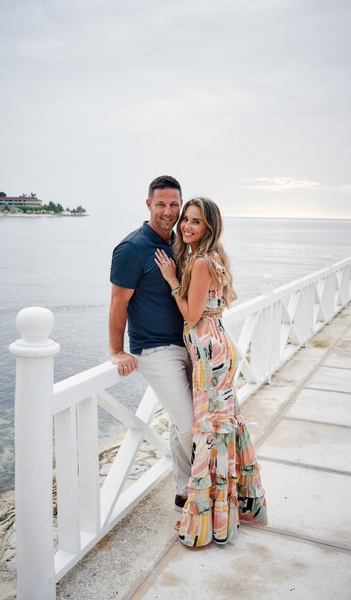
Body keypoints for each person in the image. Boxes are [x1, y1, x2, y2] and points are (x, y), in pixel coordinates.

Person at [154, 197, 268, 547]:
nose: (186, 226)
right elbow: (227, 298)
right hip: (217, 343)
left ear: (209, 227)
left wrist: (172, 280)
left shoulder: (202, 261)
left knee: (209, 430)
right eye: (185, 220)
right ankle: (226, 512)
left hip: (208, 351)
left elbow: (191, 316)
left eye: (196, 222)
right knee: (220, 426)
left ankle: (210, 519)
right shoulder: (215, 255)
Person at [109, 175, 194, 512]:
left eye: (174, 204)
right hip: (155, 350)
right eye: (161, 204)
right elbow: (118, 301)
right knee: (189, 424)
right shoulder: (132, 248)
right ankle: (201, 486)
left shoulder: (179, 242)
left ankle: (185, 490)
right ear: (148, 204)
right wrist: (117, 350)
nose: (168, 211)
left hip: (188, 345)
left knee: (181, 421)